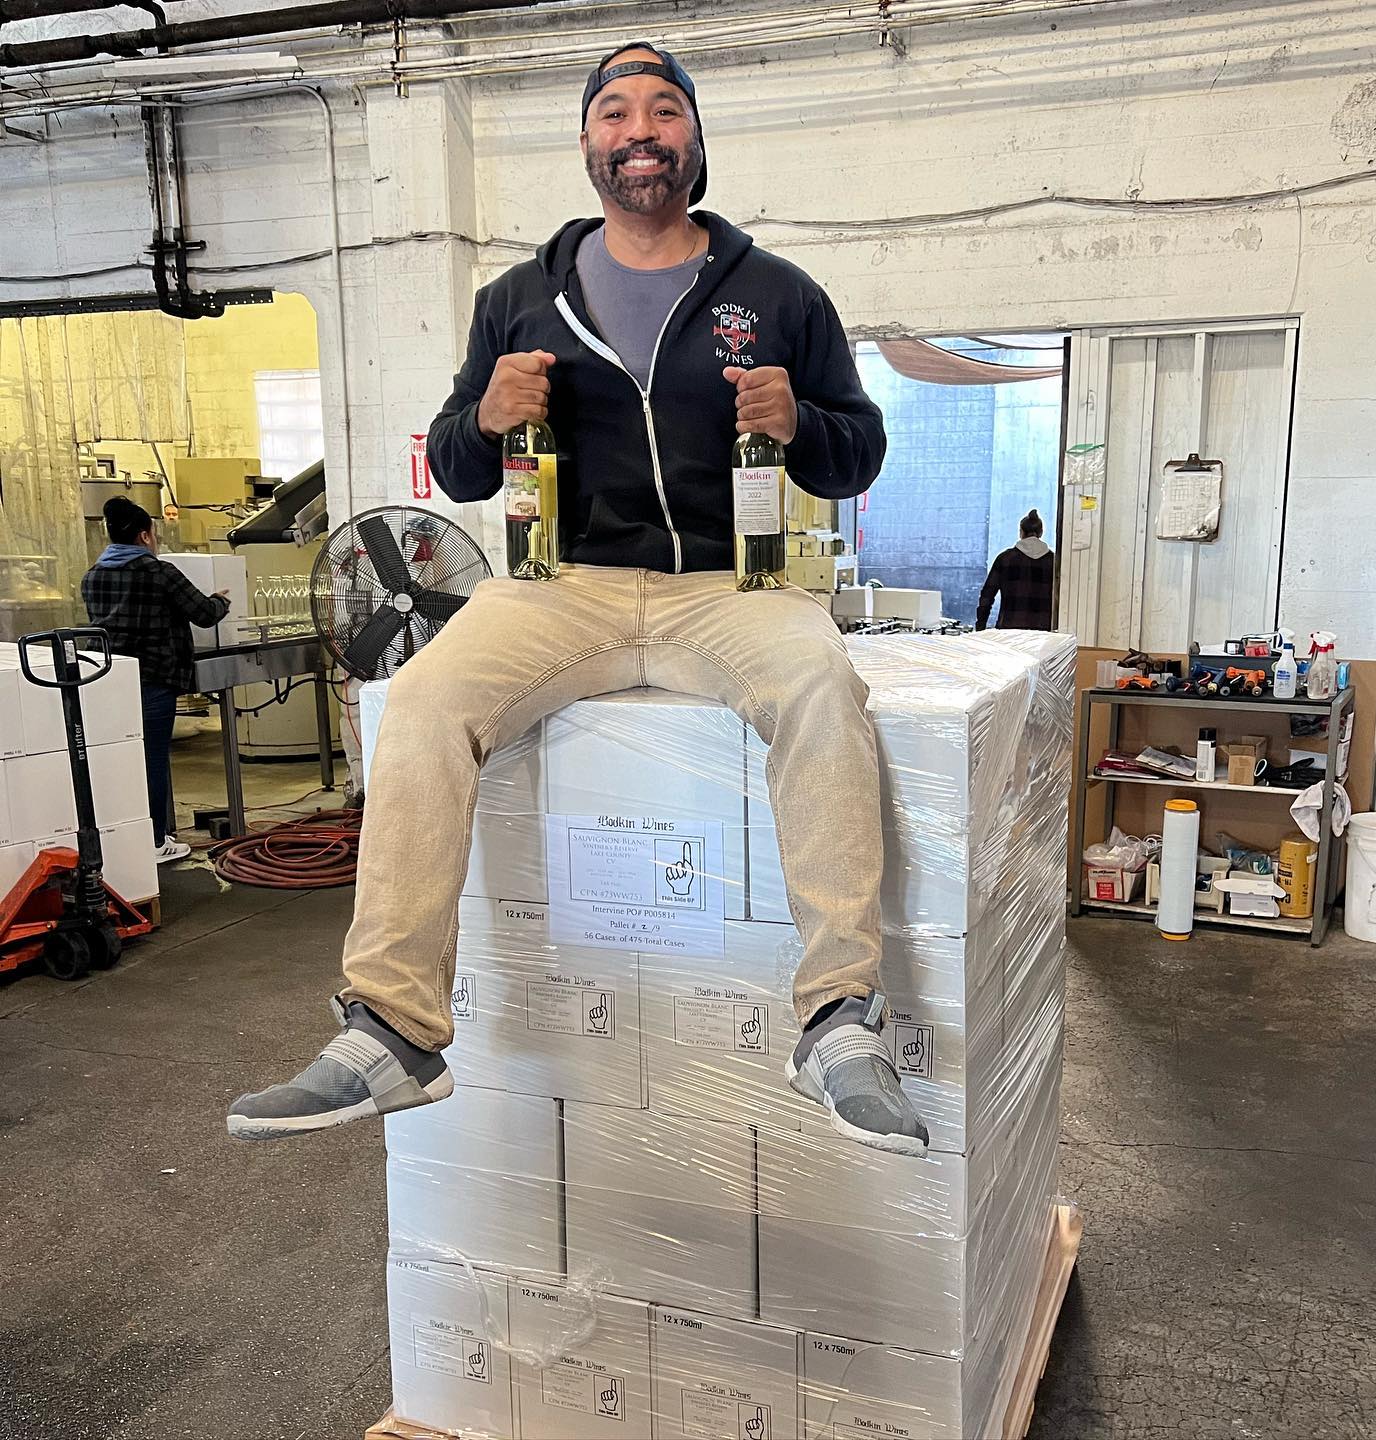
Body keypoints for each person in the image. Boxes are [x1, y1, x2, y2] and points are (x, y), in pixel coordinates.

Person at [228, 42, 930, 1158]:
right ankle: (394, 1029)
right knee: (421, 700)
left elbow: (861, 455)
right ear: (590, 146)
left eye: (663, 110)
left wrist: (806, 424)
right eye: (615, 112)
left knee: (820, 688)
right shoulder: (518, 298)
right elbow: (457, 471)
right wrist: (487, 415)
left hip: (726, 585)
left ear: (693, 140)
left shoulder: (780, 294)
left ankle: (837, 1019)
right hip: (564, 585)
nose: (639, 128)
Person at [80, 497, 231, 864]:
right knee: (152, 761)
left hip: (108, 679)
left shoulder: (93, 575)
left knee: (122, 758)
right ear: (146, 535)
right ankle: (154, 841)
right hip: (154, 678)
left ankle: (125, 836)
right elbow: (203, 614)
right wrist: (221, 599)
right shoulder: (157, 571)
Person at [976, 509, 1054, 631]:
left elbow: (987, 595)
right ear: (1041, 532)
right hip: (1043, 632)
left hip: (1009, 630)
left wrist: (980, 625)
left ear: (1021, 532)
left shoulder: (1005, 559)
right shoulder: (1053, 562)